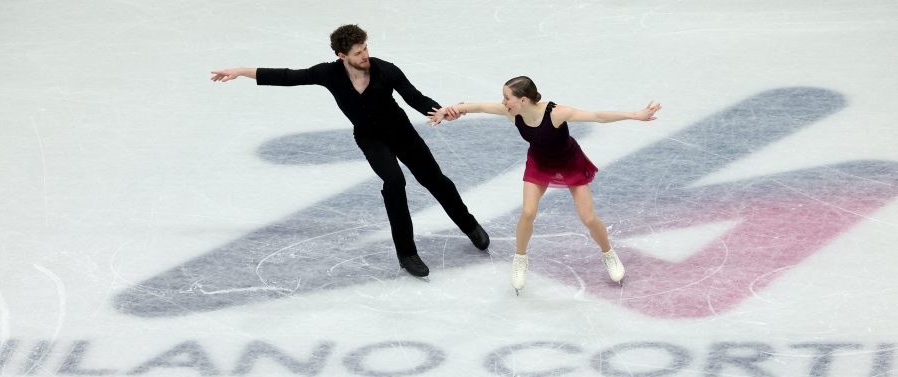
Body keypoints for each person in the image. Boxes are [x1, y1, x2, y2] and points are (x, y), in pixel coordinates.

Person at [211, 24, 489, 279]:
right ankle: (407, 253)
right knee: (394, 182)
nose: (365, 55)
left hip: (401, 132)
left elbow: (414, 97)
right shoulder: (328, 73)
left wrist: (439, 111)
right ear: (342, 56)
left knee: (434, 179)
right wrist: (241, 71)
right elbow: (288, 76)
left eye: (365, 48)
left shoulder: (386, 70)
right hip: (370, 138)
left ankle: (469, 225)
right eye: (358, 52)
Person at [430, 76, 661, 293]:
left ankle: (608, 253)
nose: (503, 102)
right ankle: (520, 259)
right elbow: (478, 107)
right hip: (539, 163)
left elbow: (597, 116)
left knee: (589, 218)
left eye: (506, 98)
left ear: (523, 100)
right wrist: (448, 110)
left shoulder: (556, 113)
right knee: (528, 212)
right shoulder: (512, 113)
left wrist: (635, 115)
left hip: (570, 163)